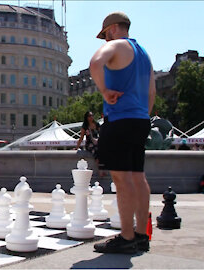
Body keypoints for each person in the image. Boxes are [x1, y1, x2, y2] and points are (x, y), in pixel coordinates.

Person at [90, 11, 156, 254]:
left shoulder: (117, 45)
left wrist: (105, 90)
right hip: (140, 120)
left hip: (119, 120)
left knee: (122, 179)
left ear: (114, 28)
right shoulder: (144, 55)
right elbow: (151, 93)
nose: (106, 40)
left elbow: (95, 62)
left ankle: (126, 237)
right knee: (139, 177)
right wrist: (142, 114)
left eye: (106, 34)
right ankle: (141, 234)